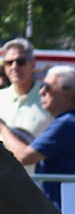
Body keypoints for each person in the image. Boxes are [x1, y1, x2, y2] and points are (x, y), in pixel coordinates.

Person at [0, 65, 75, 208]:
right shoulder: (73, 120)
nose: (41, 91)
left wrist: (2, 128)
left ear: (68, 94)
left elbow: (25, 157)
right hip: (66, 206)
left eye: (48, 87)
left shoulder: (66, 123)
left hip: (61, 211)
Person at [0, 38, 52, 174]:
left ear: (33, 65)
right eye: (8, 62)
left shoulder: (48, 99)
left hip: (33, 186)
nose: (14, 67)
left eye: (20, 62)